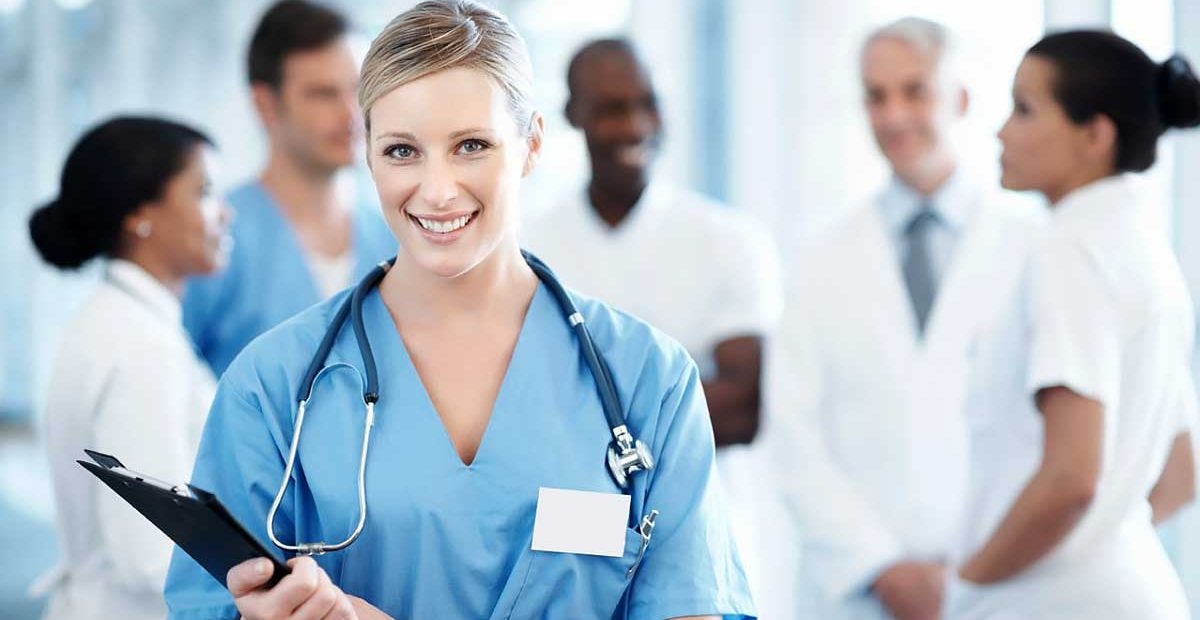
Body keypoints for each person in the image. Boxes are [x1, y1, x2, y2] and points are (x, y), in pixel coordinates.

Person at [163, 2, 756, 619]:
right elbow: (212, 604)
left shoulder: (649, 380)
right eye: (401, 151)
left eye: (471, 145)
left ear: (531, 145)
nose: (438, 189)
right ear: (366, 152)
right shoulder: (273, 386)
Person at [764, 17, 1044, 620]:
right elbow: (793, 434)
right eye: (875, 95)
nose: (893, 116)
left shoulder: (1033, 245)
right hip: (860, 593)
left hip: (1002, 583)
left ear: (961, 98)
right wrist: (881, 568)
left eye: (915, 91)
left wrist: (976, 569)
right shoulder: (820, 258)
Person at [519, 37, 783, 610]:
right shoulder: (529, 246)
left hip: (707, 519)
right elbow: (512, 413)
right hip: (568, 534)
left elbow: (744, 408)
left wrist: (589, 419)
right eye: (612, 108)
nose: (635, 125)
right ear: (571, 114)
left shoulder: (726, 240)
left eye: (648, 103)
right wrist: (673, 409)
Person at [949, 30, 1200, 620]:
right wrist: (1103, 537)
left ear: (1095, 135)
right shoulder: (1146, 252)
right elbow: (1184, 470)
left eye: (1025, 109)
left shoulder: (1071, 251)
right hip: (1136, 591)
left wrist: (969, 580)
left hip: (1054, 602)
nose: (1001, 131)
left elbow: (1071, 478)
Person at [29, 116, 229, 620]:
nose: (225, 213)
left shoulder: (116, 322)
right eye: (203, 192)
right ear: (142, 214)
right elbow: (150, 556)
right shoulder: (141, 346)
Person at [183, 0, 396, 377]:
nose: (351, 114)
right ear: (266, 104)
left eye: (360, 90)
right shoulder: (211, 237)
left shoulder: (395, 238)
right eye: (323, 94)